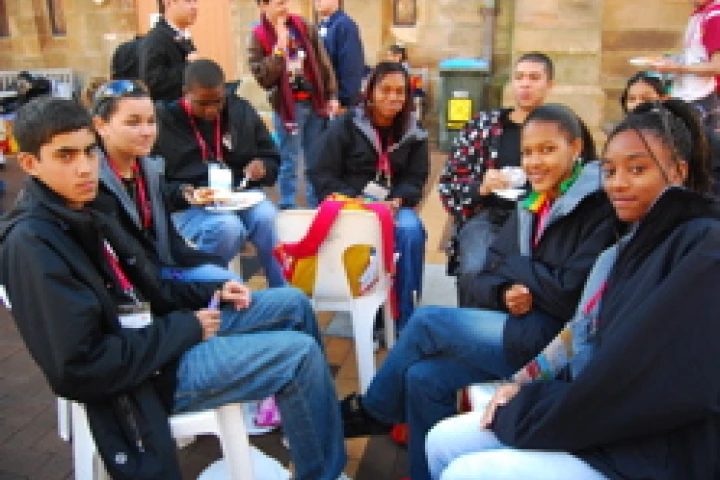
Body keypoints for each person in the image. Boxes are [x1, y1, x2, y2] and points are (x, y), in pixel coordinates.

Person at [0, 96, 347, 480]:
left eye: (88, 152)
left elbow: (148, 281)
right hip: (143, 379)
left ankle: (311, 426)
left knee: (293, 302)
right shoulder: (33, 244)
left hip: (162, 333)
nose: (84, 167)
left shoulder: (88, 207)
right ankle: (322, 469)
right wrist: (186, 328)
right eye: (65, 156)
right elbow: (82, 367)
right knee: (298, 356)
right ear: (29, 164)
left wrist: (208, 293)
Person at [426, 99, 720, 480]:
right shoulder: (624, 246)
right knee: (442, 439)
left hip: (648, 450)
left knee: (468, 471)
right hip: (589, 412)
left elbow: (635, 376)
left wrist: (535, 408)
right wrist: (521, 384)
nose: (618, 183)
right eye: (610, 171)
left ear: (679, 171)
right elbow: (580, 329)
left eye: (637, 169)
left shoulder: (700, 246)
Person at [341, 104, 620, 480]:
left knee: (426, 322)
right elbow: (486, 273)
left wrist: (517, 268)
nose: (535, 161)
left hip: (557, 346)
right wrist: (505, 291)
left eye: (547, 150)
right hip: (519, 328)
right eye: (527, 152)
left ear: (575, 148)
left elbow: (568, 293)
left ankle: (375, 410)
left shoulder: (599, 209)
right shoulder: (532, 203)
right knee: (423, 378)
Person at [308, 61, 429, 330]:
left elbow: (416, 178)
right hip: (352, 207)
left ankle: (405, 318)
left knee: (411, 231)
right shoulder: (346, 125)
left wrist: (398, 200)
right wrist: (356, 201)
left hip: (393, 206)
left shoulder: (414, 131)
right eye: (385, 90)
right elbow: (321, 172)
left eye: (400, 91)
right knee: (366, 235)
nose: (393, 97)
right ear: (371, 91)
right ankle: (372, 316)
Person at [89, 78, 241, 283]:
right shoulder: (92, 183)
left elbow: (160, 205)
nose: (146, 132)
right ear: (100, 125)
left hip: (164, 266)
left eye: (151, 121)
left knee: (230, 280)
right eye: (133, 123)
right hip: (137, 283)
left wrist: (184, 193)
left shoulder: (147, 168)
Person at [155, 60, 286, 287]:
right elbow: (154, 181)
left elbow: (271, 155)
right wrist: (183, 192)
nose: (211, 110)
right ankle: (212, 289)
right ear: (185, 93)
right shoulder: (164, 122)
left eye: (218, 101)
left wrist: (263, 166)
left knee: (267, 217)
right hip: (190, 204)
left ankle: (281, 289)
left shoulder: (240, 111)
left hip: (239, 194)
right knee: (227, 228)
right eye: (202, 103)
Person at [438, 52, 554, 306]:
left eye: (534, 78)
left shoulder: (560, 130)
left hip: (543, 220)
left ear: (549, 85)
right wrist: (481, 186)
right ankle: (468, 326)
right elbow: (449, 183)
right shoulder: (483, 127)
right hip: (489, 216)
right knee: (475, 269)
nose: (525, 84)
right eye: (519, 77)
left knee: (536, 279)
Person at [248, 0, 340, 209]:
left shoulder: (303, 26)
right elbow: (263, 78)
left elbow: (323, 62)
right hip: (287, 107)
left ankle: (316, 206)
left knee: (315, 158)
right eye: (279, 3)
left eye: (286, 2)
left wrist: (332, 94)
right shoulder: (257, 36)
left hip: (315, 100)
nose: (285, 7)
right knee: (288, 159)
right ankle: (288, 205)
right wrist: (278, 51)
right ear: (263, 6)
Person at [653, 0, 720, 132]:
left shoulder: (714, 16)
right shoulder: (699, 14)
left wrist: (676, 68)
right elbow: (695, 57)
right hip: (689, 96)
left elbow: (717, 66)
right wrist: (670, 60)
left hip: (701, 97)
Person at [139, 0, 200, 102]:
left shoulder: (182, 36)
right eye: (188, 1)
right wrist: (188, 67)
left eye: (195, 1)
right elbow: (153, 83)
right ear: (168, 3)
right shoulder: (156, 39)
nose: (195, 7)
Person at [315, 0, 366, 109]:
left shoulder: (345, 25)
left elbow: (351, 65)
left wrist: (342, 99)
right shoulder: (321, 26)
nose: (317, 1)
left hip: (338, 102)